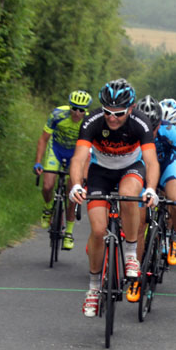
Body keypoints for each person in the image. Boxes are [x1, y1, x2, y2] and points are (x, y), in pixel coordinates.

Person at [68, 79, 160, 318]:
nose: (112, 118)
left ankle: (130, 254)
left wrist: (150, 188)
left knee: (129, 195)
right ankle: (93, 289)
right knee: (98, 231)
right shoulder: (93, 121)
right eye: (108, 112)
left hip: (132, 167)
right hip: (101, 172)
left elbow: (151, 160)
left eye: (118, 113)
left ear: (130, 109)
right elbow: (78, 158)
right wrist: (77, 184)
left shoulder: (140, 122)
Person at [132, 96, 176, 288]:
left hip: (167, 167)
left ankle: (175, 235)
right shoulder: (132, 129)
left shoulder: (169, 129)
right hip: (142, 169)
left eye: (154, 126)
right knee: (139, 225)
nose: (151, 130)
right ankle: (136, 274)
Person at [33, 90, 92, 250]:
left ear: (85, 110)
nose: (77, 113)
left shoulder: (88, 121)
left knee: (73, 193)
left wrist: (84, 176)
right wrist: (38, 163)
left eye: (81, 110)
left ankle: (69, 233)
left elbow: (87, 152)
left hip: (75, 153)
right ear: (69, 106)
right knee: (47, 186)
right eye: (74, 108)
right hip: (57, 150)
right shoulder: (58, 114)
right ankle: (47, 210)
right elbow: (43, 139)